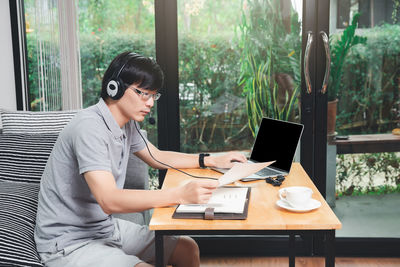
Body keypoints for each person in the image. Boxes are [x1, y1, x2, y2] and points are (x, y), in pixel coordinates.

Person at [34, 51, 247, 267]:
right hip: (69, 242)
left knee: (186, 248)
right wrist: (179, 194)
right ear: (114, 88)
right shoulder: (89, 128)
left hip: (103, 229)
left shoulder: (126, 123)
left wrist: (211, 160)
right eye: (143, 93)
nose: (150, 103)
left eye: (154, 95)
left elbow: (157, 156)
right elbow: (109, 200)